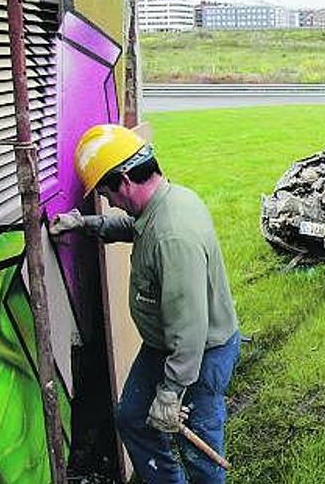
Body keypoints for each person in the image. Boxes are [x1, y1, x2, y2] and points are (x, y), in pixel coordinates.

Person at [50, 124, 240, 483]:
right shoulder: (166, 201)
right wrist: (86, 223)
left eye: (108, 194)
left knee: (198, 448)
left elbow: (190, 330)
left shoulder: (173, 237)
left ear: (125, 180)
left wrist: (170, 393)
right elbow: (137, 225)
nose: (110, 202)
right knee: (132, 417)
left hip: (200, 354)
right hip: (166, 346)